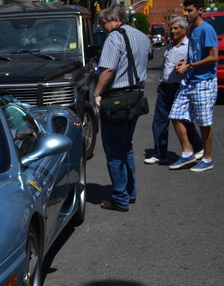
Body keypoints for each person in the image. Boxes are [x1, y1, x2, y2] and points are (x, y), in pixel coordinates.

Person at [93, 4, 151, 212]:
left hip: (117, 98)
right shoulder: (142, 37)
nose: (102, 27)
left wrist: (97, 93)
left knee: (114, 151)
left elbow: (108, 69)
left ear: (116, 20)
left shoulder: (114, 37)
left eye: (104, 22)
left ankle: (120, 198)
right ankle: (130, 191)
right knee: (126, 146)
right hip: (136, 96)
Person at [168, 0, 218, 172]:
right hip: (190, 81)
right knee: (175, 115)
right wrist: (186, 62)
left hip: (204, 81)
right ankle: (187, 152)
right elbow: (196, 55)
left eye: (190, 10)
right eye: (185, 11)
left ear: (200, 10)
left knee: (204, 123)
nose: (186, 14)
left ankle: (207, 158)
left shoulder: (206, 29)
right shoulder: (193, 30)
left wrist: (189, 66)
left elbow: (213, 57)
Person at [145, 17, 203, 165]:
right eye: (171, 28)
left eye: (176, 28)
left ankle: (198, 147)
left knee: (184, 121)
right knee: (159, 122)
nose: (172, 31)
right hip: (164, 89)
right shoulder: (170, 46)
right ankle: (160, 154)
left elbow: (196, 64)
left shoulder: (189, 46)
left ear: (184, 31)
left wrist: (186, 65)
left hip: (180, 89)